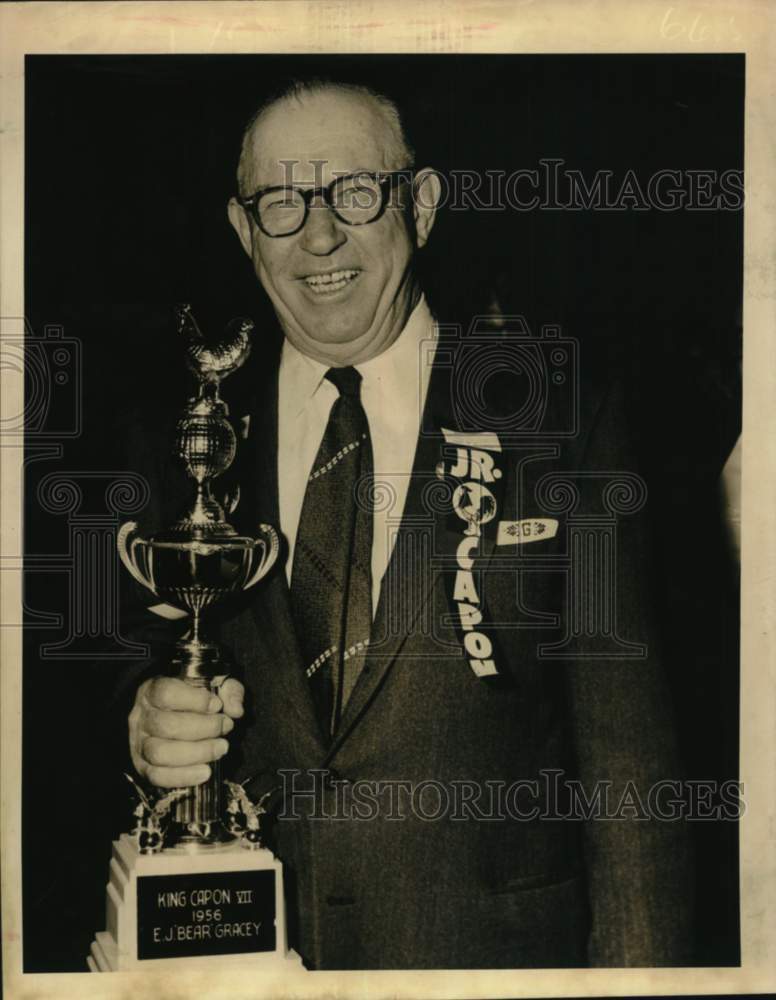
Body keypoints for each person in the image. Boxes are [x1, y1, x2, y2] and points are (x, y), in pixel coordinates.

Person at [126, 78, 693, 969]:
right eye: (282, 202)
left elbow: (631, 773)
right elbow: (73, 691)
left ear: (420, 206)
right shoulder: (183, 435)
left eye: (355, 191)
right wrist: (138, 721)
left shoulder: (557, 413)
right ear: (243, 231)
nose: (319, 236)